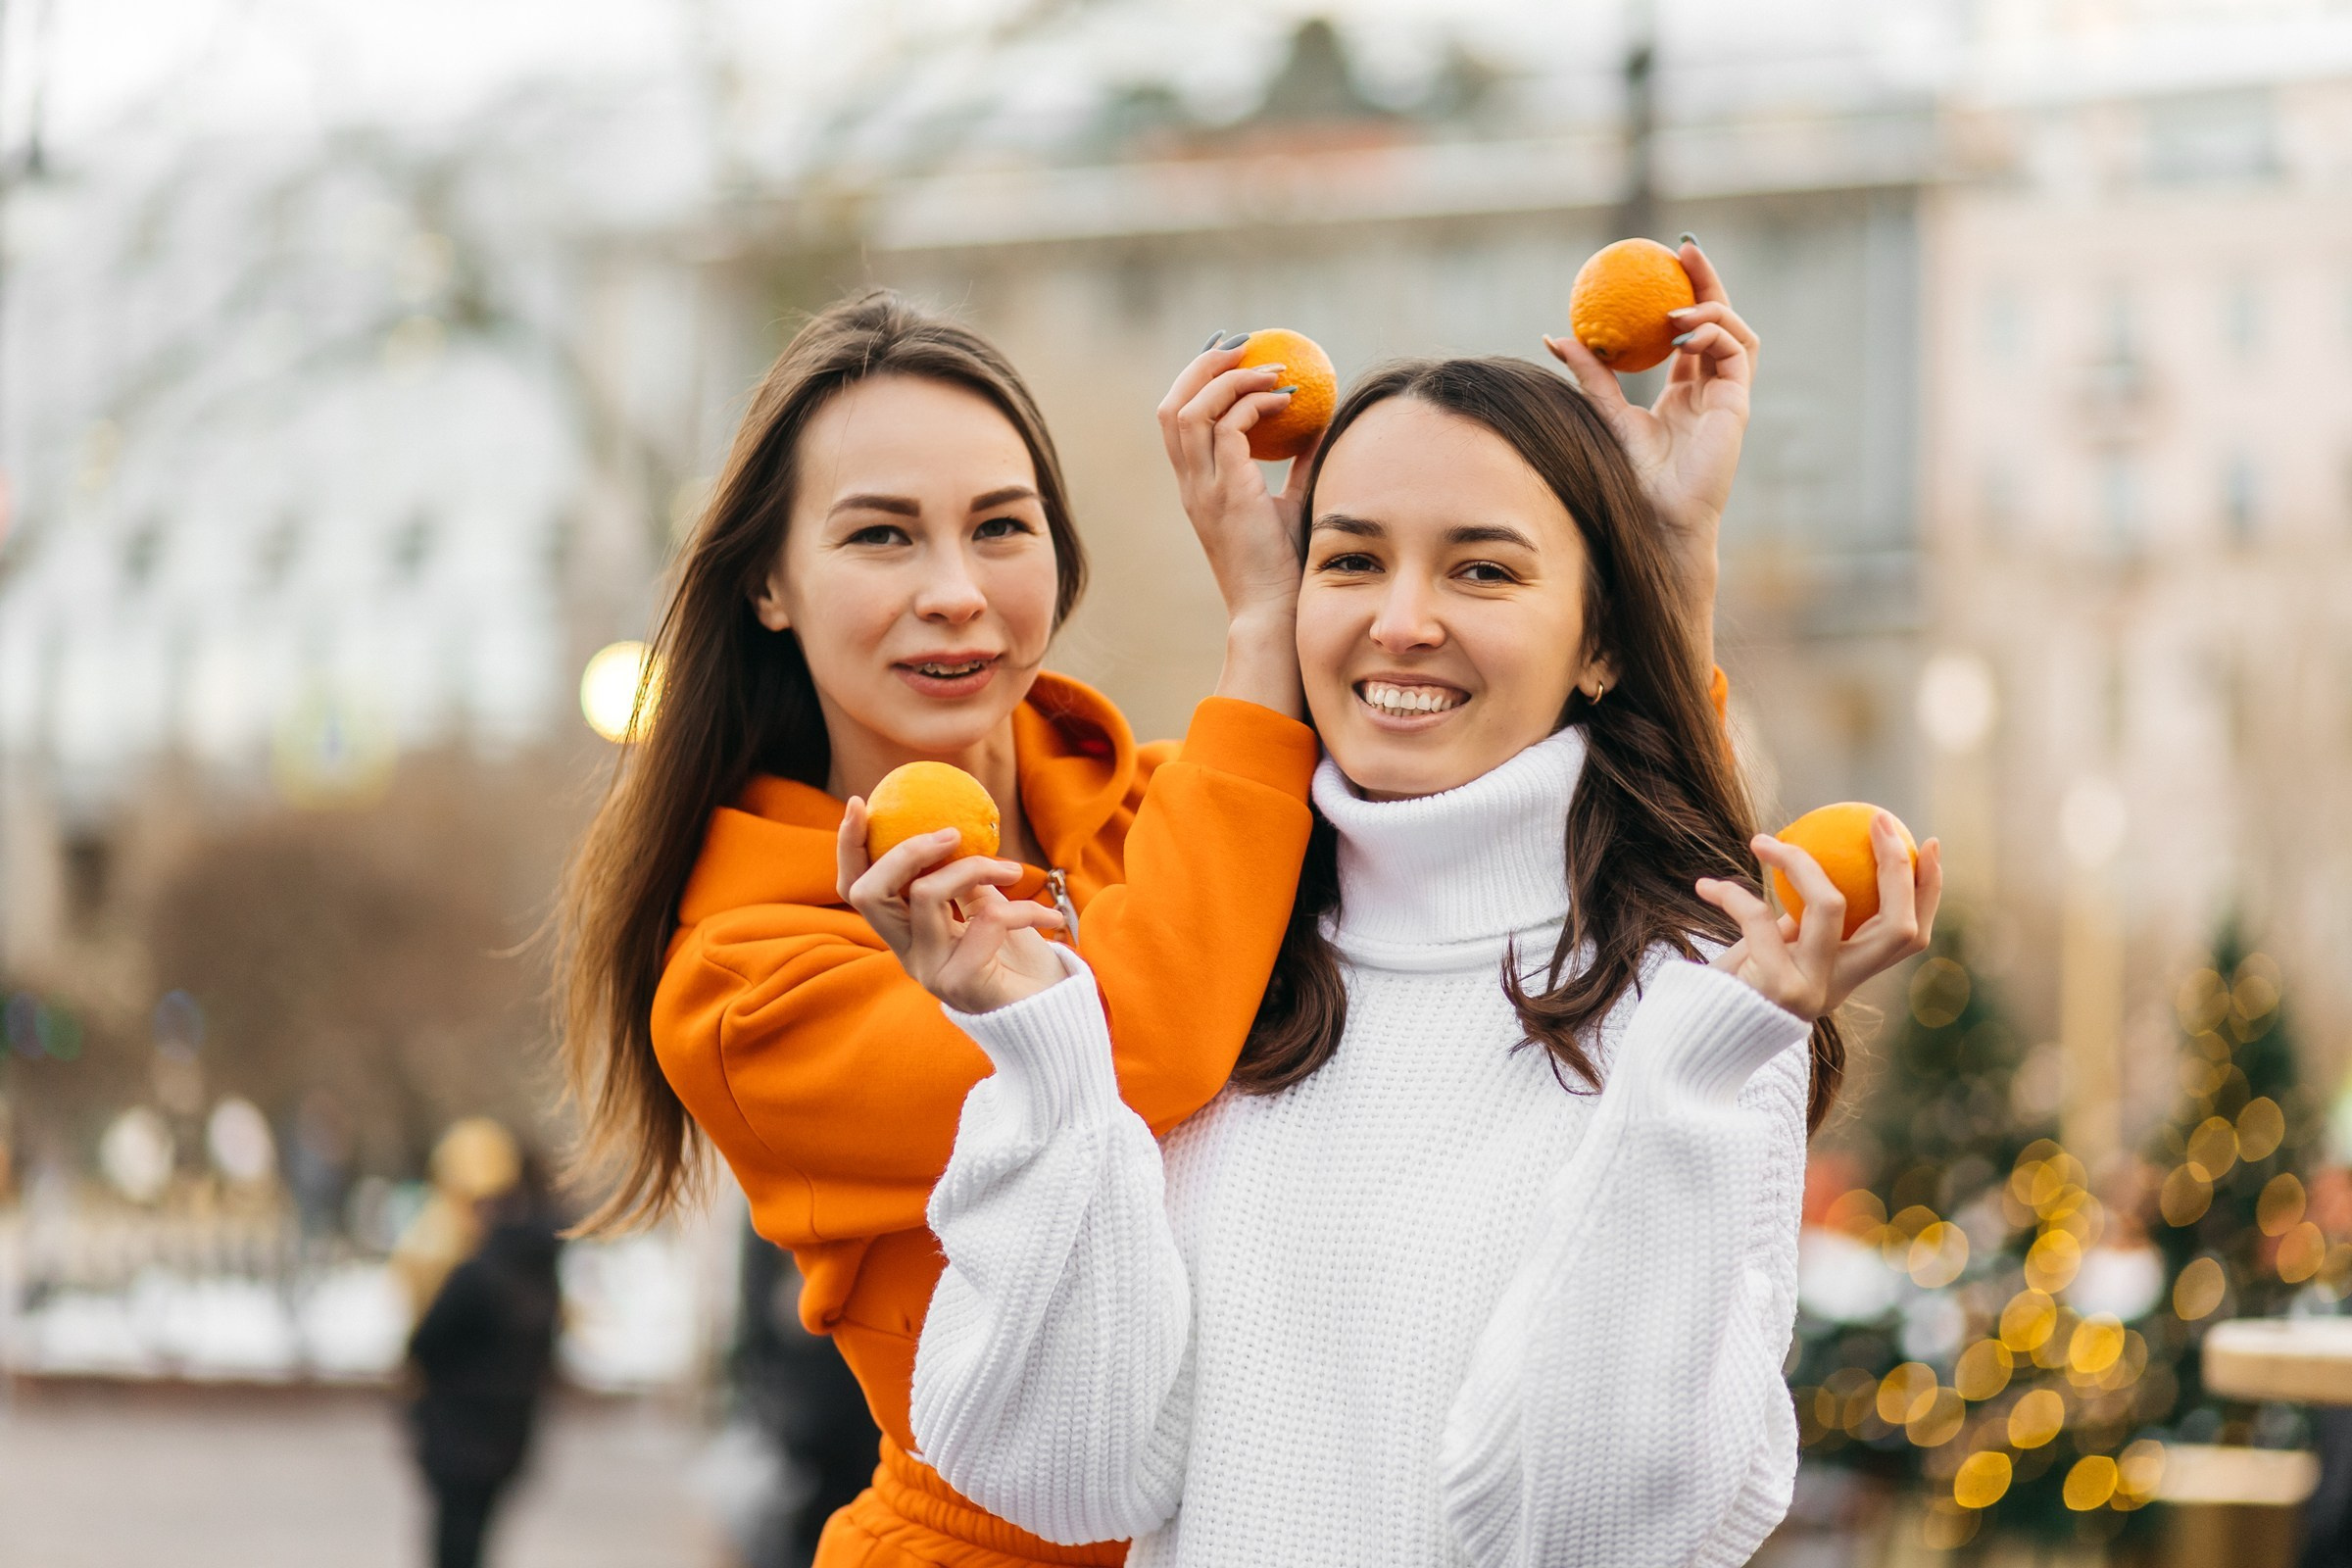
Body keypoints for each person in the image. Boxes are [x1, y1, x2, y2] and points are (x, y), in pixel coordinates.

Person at [561, 267, 1744, 1567]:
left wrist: (1666, 564)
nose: (956, 590)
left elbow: (1578, 867)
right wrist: (1258, 621)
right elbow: (1137, 1052)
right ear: (767, 586)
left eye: (1002, 528)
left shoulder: (1181, 810)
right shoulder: (747, 983)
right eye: (881, 535)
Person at [880, 353, 1944, 1564]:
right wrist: (1040, 1056)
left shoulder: (1703, 1003)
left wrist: (1695, 1074)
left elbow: (1587, 1536)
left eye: (1481, 568)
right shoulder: (1229, 946)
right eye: (1350, 559)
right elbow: (1066, 1473)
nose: (1401, 620)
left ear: (1601, 643)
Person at [406, 1154, 564, 1568]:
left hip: (457, 1432)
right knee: (478, 1540)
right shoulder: (543, 1277)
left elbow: (423, 1344)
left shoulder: (477, 1276)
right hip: (508, 1435)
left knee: (453, 1544)